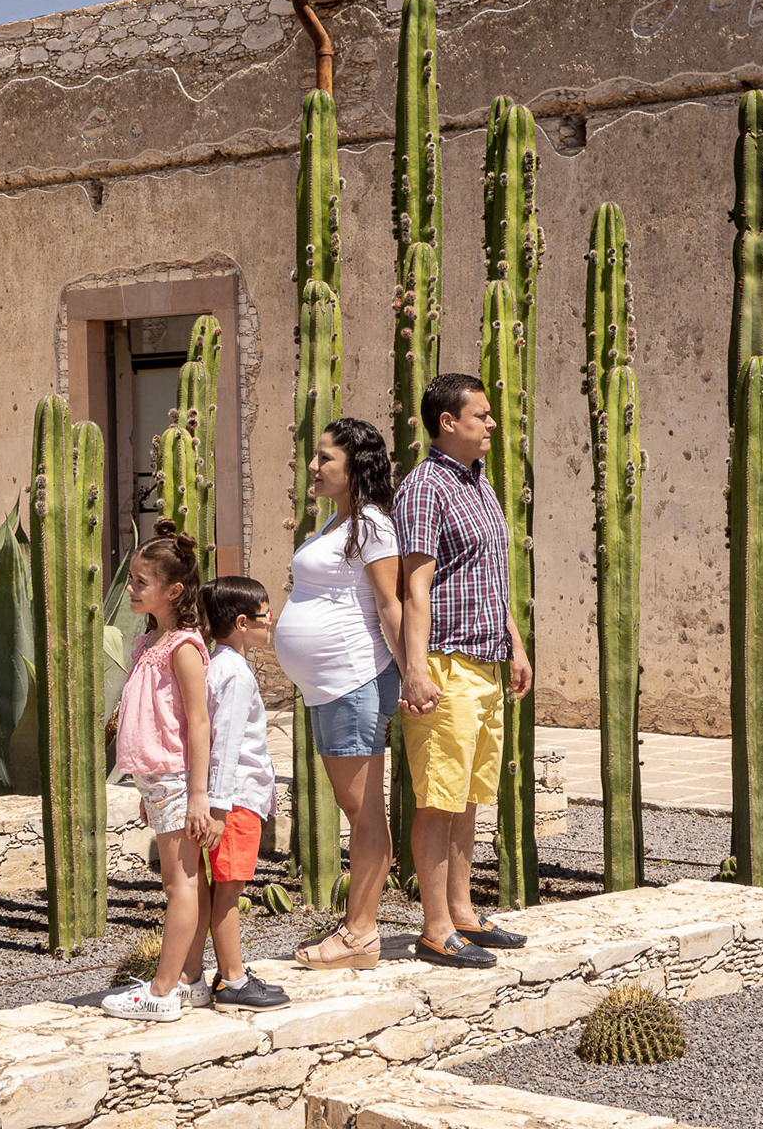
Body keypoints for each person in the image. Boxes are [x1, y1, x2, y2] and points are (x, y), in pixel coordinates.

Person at [394, 373, 532, 968]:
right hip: (445, 663)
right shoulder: (426, 486)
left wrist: (516, 644)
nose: (492, 424)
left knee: (469, 796)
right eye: (481, 415)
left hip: (486, 661)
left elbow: (492, 578)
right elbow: (414, 587)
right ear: (447, 422)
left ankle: (464, 915)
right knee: (437, 800)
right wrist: (416, 669)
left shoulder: (479, 484)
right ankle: (433, 928)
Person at [271, 417, 404, 970]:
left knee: (364, 813)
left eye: (325, 457)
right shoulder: (337, 522)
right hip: (329, 687)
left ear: (356, 465)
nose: (313, 465)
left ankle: (360, 934)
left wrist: (413, 674)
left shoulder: (371, 523)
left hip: (355, 681)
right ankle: (359, 930)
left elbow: (391, 604)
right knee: (361, 809)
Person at [103, 520, 219, 1022]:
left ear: (173, 590)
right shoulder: (151, 641)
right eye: (129, 579)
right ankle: (188, 983)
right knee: (185, 882)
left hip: (175, 779)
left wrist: (198, 796)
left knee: (180, 886)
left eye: (139, 582)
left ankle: (162, 990)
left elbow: (198, 723)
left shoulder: (184, 648)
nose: (130, 588)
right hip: (160, 781)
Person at [186, 576, 289, 1010]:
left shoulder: (220, 666)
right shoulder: (236, 676)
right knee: (230, 890)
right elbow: (225, 744)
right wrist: (220, 807)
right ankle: (232, 979)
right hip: (235, 801)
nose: (273, 621)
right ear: (243, 622)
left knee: (218, 889)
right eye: (267, 614)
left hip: (230, 799)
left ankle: (215, 975)